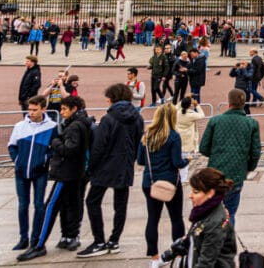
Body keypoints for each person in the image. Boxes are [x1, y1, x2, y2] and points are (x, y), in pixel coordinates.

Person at [19, 94, 93, 261]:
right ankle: (70, 236)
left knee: (50, 207)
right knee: (71, 205)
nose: (62, 112)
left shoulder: (75, 126)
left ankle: (39, 244)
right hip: (75, 172)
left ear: (74, 109)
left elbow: (69, 149)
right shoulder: (81, 123)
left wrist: (55, 142)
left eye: (64, 109)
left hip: (67, 173)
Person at [78, 83, 143, 258]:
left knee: (92, 201)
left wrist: (91, 168)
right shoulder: (138, 117)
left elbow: (99, 146)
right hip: (125, 165)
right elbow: (138, 142)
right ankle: (114, 240)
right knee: (120, 205)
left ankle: (99, 241)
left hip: (105, 166)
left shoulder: (109, 119)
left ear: (113, 98)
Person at [198, 88, 261, 227]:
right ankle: (228, 244)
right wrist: (248, 167)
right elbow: (255, 152)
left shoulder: (215, 121)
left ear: (229, 103)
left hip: (215, 173)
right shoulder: (251, 124)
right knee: (230, 213)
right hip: (237, 174)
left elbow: (203, 148)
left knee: (212, 210)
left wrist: (216, 154)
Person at [137, 103, 188, 267]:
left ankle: (154, 257)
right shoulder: (173, 136)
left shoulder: (147, 136)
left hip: (150, 182)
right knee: (176, 218)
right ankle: (179, 255)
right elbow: (177, 162)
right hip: (170, 182)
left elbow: (140, 161)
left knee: (153, 218)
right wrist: (188, 160)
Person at [8, 96, 57, 252]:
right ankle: (23, 238)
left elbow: (54, 148)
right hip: (21, 171)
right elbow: (12, 146)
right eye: (29, 109)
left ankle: (35, 238)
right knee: (23, 205)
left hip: (39, 172)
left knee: (39, 205)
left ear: (43, 109)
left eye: (35, 110)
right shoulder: (20, 125)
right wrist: (17, 161)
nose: (31, 113)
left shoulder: (52, 126)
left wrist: (43, 159)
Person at [187, 167, 238, 268]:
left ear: (210, 193)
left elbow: (206, 263)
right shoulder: (205, 210)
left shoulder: (214, 223)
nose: (190, 195)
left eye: (196, 192)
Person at [176, 96, 206, 164]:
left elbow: (176, 106)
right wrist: (197, 106)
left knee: (179, 153)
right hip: (188, 137)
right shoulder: (191, 115)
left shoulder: (177, 112)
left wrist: (183, 100)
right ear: (190, 105)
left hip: (179, 135)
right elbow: (202, 115)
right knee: (185, 158)